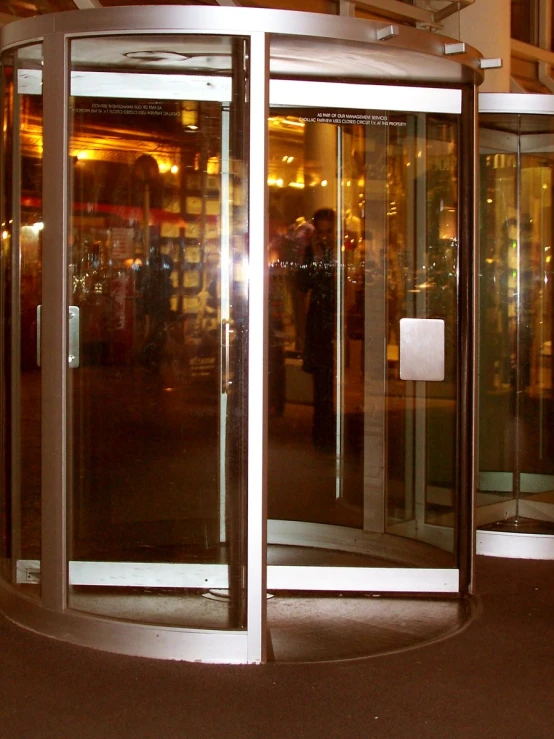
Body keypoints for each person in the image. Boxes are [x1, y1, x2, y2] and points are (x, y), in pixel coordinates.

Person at [296, 208, 336, 452]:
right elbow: (303, 284)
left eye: (328, 231)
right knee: (321, 377)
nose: (324, 236)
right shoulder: (312, 253)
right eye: (320, 232)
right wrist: (315, 257)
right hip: (319, 319)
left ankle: (328, 428)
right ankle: (321, 430)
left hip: (332, 317)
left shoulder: (339, 252)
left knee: (328, 376)